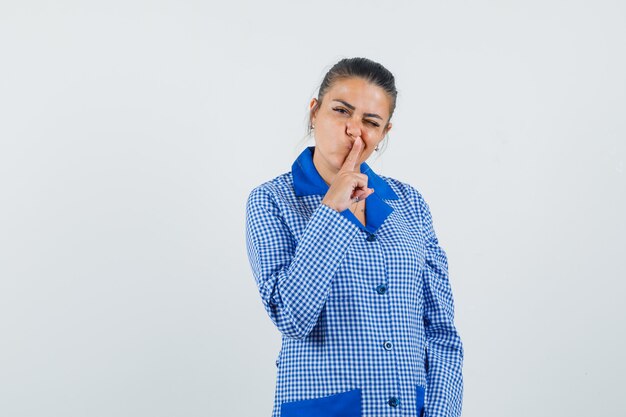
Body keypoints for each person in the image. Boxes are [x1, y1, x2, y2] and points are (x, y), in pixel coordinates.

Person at [245, 57, 463, 417]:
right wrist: (331, 211)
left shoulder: (409, 203)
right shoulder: (271, 201)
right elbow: (292, 317)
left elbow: (441, 331)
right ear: (314, 112)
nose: (353, 130)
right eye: (341, 111)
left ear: (383, 134)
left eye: (370, 122)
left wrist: (441, 412)